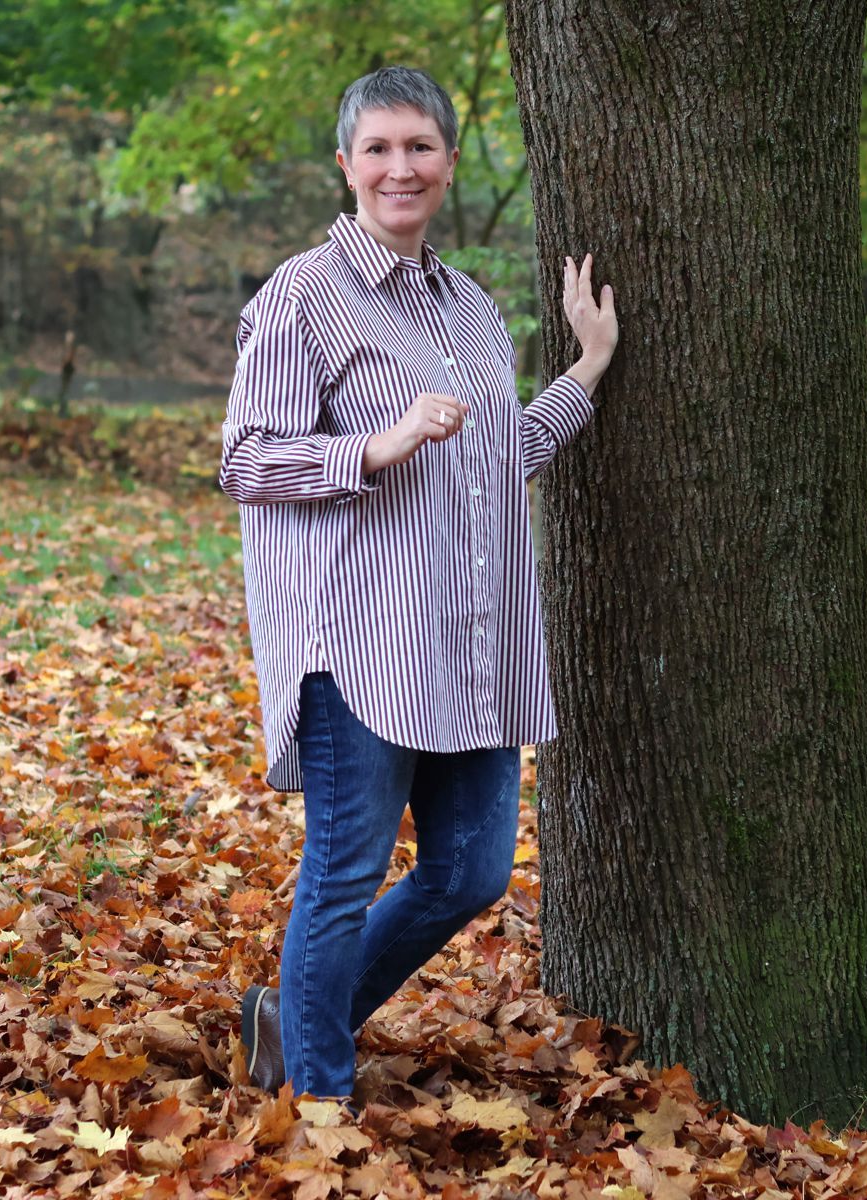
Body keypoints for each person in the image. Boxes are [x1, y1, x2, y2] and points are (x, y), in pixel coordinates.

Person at [219, 65, 618, 1100]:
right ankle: (318, 1098)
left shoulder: (471, 308)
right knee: (344, 878)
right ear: (347, 165)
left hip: (471, 644)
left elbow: (500, 454)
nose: (402, 167)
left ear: (446, 162)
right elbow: (245, 462)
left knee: (470, 874)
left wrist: (586, 369)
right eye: (381, 148)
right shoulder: (303, 297)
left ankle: (293, 1016)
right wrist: (379, 444)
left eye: (421, 147)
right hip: (360, 642)